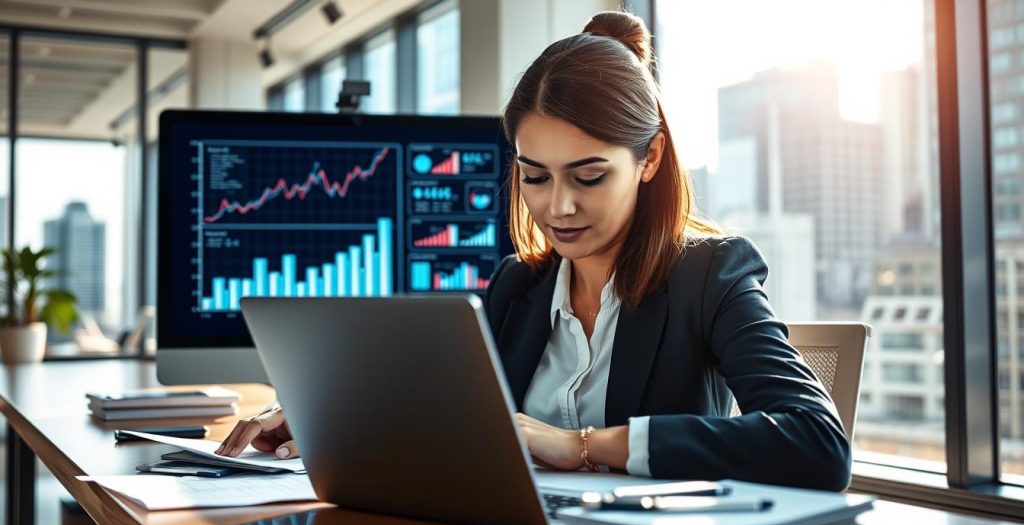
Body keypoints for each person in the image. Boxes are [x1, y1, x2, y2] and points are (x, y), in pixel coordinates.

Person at [217, 10, 851, 491]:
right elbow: (457, 419)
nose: (558, 208)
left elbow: (818, 443)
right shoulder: (515, 286)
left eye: (589, 175)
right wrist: (325, 419)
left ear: (649, 158)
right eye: (535, 175)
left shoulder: (711, 274)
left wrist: (583, 445)